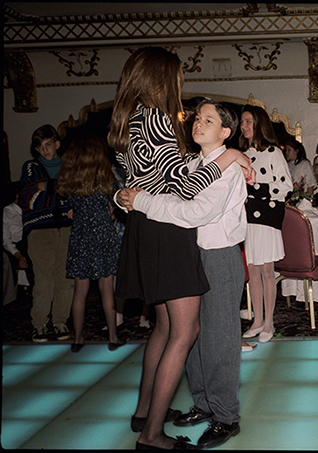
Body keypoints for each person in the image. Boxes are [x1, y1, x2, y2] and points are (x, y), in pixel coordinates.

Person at [108, 46, 253, 450]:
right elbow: (182, 187)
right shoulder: (156, 120)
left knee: (198, 333)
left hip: (199, 246)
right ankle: (171, 423)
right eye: (177, 77)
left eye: (208, 119)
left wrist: (130, 198)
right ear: (161, 79)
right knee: (184, 332)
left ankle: (215, 414)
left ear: (225, 131)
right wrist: (228, 158)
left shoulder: (129, 119)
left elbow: (190, 206)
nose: (194, 119)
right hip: (169, 237)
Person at [56, 134, 125, 352]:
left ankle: (77, 339)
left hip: (81, 237)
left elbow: (65, 205)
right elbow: (118, 203)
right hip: (104, 236)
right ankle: (113, 337)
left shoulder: (70, 181)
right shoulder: (106, 180)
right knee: (107, 290)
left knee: (80, 291)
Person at [240, 104, 293, 343]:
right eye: (242, 122)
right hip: (248, 217)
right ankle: (257, 320)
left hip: (268, 217)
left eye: (248, 121)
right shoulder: (242, 154)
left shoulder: (273, 152)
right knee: (252, 270)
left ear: (259, 123)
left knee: (267, 271)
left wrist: (256, 189)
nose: (244, 126)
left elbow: (285, 187)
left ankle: (269, 322)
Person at [18, 125, 74, 343]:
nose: (44, 150)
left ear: (57, 144)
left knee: (65, 278)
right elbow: (28, 196)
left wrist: (47, 188)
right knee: (43, 280)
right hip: (40, 230)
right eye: (39, 146)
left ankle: (60, 320)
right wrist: (59, 191)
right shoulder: (31, 167)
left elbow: (75, 193)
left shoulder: (70, 166)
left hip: (68, 229)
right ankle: (39, 324)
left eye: (48, 144)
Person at [283, 138, 318, 203]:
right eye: (286, 150)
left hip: (302, 199)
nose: (286, 152)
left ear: (296, 151)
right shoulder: (287, 165)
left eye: (289, 150)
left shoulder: (305, 164)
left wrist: (307, 201)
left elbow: (310, 184)